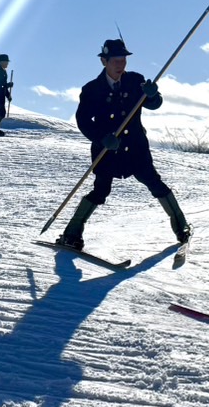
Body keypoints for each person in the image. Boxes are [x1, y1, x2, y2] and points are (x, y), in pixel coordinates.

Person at [57, 39, 191, 251]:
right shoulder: (91, 89)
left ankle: (182, 228)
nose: (121, 65)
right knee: (100, 191)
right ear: (104, 61)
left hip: (136, 148)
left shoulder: (135, 81)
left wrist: (153, 94)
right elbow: (83, 120)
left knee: (155, 184)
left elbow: (154, 104)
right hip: (107, 151)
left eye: (123, 60)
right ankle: (71, 234)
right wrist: (101, 138)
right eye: (116, 61)